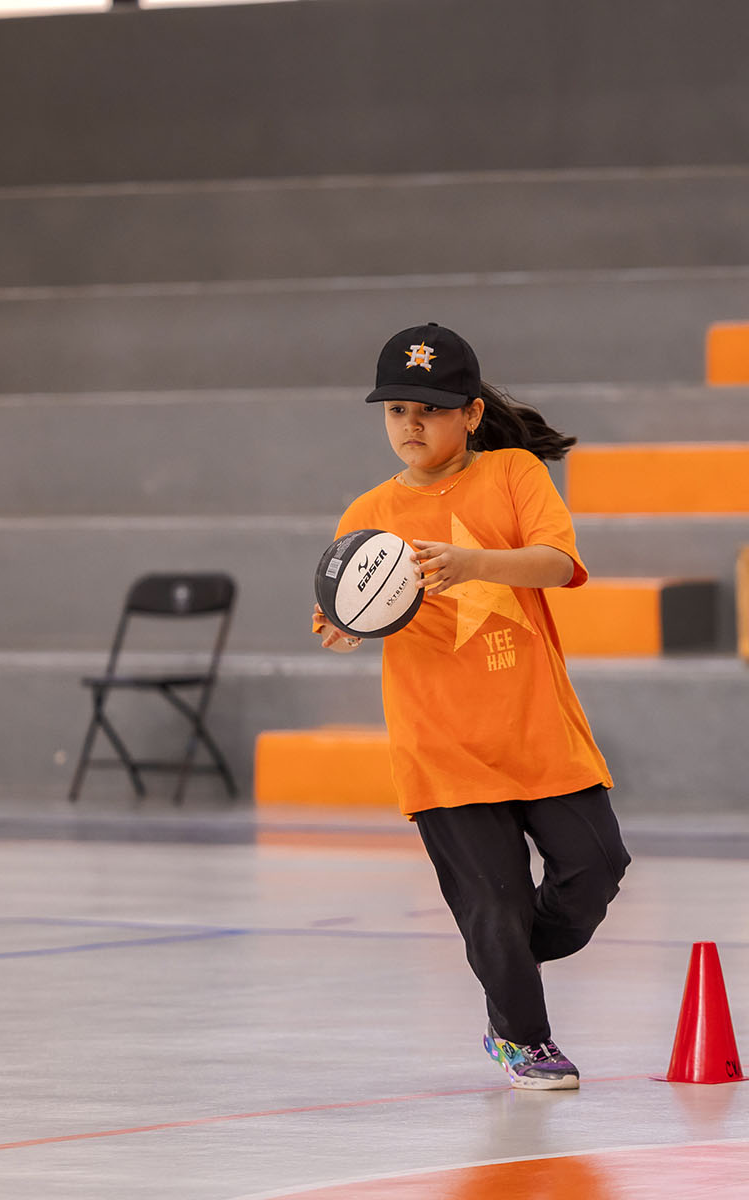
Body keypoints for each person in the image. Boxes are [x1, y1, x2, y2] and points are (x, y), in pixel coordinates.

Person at [312, 322, 630, 1091]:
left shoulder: (514, 473)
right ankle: (523, 1038)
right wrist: (343, 627)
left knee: (596, 869)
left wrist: (471, 563)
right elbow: (350, 610)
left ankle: (503, 957)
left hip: (537, 727)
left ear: (472, 414)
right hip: (442, 744)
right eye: (397, 410)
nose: (411, 424)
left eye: (430, 409)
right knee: (493, 904)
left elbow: (557, 563)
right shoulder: (366, 513)